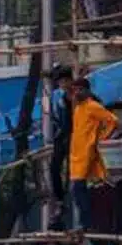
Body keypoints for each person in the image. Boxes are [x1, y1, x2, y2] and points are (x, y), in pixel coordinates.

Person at [69, 77, 117, 231]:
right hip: (76, 155)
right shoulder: (77, 109)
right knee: (80, 191)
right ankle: (89, 225)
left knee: (80, 190)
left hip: (87, 155)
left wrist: (102, 137)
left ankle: (88, 225)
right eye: (75, 90)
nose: (76, 92)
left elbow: (112, 120)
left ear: (87, 90)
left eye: (80, 89)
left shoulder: (93, 106)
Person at [50, 64, 75, 214]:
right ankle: (60, 200)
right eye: (61, 82)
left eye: (66, 81)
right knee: (54, 169)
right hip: (62, 137)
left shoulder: (76, 95)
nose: (63, 85)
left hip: (74, 137)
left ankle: (69, 201)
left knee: (73, 172)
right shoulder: (57, 96)